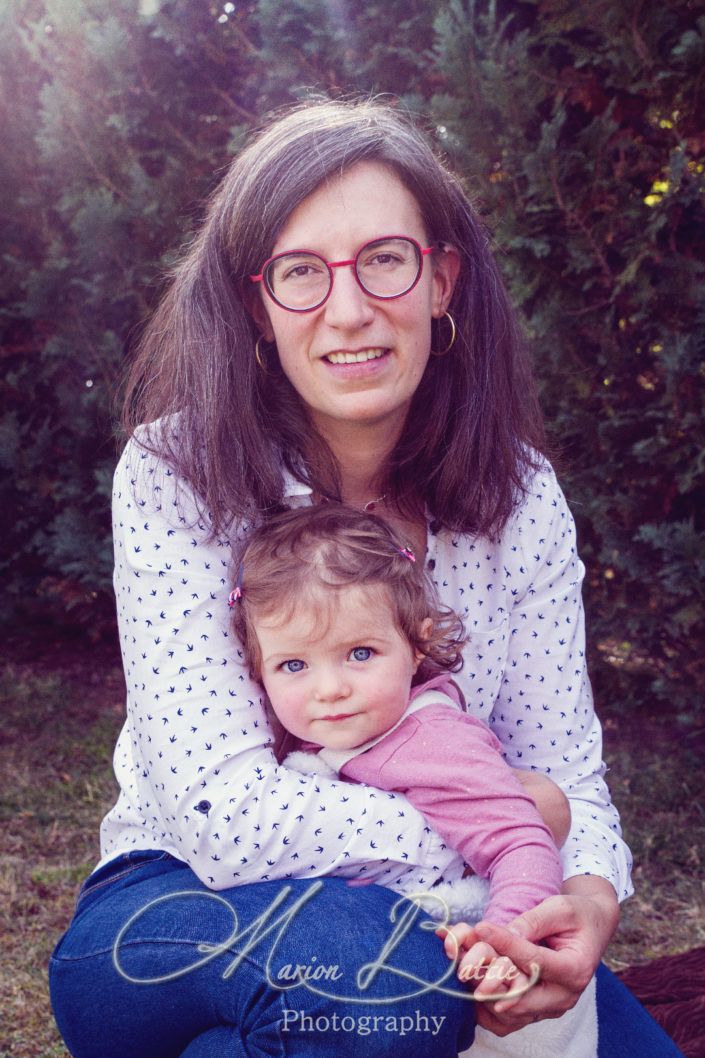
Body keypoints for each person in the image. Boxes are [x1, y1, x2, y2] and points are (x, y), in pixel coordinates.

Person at [48, 98, 684, 1058]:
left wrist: (584, 896)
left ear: (441, 281)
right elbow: (229, 819)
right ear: (258, 307)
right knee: (396, 1000)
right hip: (179, 907)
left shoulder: (519, 496)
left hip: (455, 902)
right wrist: (516, 825)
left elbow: (568, 777)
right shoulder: (178, 472)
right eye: (301, 273)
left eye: (384, 259)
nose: (348, 310)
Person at [228, 500, 567, 995]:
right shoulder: (309, 734)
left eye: (360, 653)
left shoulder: (433, 739)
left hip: (467, 970)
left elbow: (521, 841)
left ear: (417, 647)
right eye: (294, 666)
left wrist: (507, 939)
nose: (330, 689)